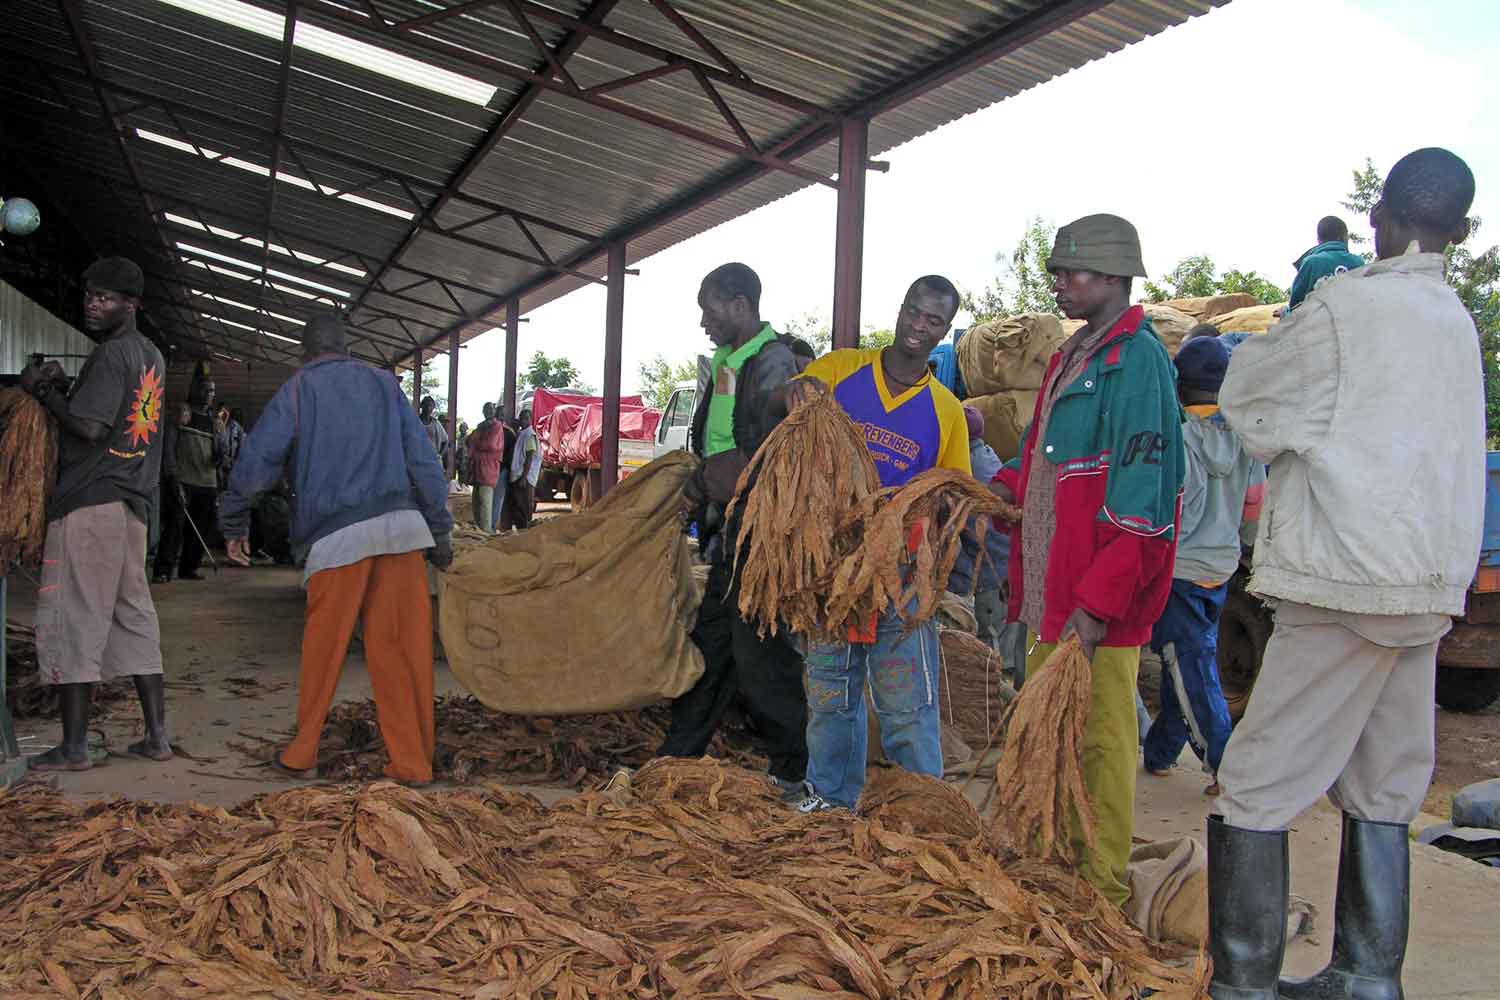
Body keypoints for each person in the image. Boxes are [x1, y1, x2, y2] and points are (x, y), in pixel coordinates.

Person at [1207, 149, 1483, 1000]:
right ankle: (1367, 975)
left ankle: (1243, 986)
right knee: (1385, 783)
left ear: (1379, 218)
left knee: (1255, 784)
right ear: (1458, 231)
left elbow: (1249, 403)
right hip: (1426, 586)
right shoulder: (1455, 319)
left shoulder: (1344, 308)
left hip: (1344, 582)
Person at [993, 214, 1184, 907]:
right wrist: (993, 490)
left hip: (1093, 605)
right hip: (1052, 592)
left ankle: (1100, 888)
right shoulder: (1069, 359)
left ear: (1112, 276)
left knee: (1099, 744)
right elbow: (1043, 463)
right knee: (1049, 738)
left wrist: (1098, 607)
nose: (1058, 285)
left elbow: (1144, 500)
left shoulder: (1137, 364)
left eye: (1070, 272)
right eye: (1057, 273)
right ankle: (1054, 866)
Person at [220, 311, 454, 785]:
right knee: (401, 649)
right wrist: (440, 530)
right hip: (401, 531)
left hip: (336, 538)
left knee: (323, 651)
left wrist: (234, 518)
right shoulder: (386, 385)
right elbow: (424, 461)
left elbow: (260, 456)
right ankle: (413, 762)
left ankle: (303, 752)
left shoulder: (299, 389)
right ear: (347, 349)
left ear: (305, 354)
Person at [780, 275, 971, 813]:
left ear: (944, 331)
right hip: (831, 567)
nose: (918, 326)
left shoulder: (946, 411)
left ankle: (924, 808)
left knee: (907, 703)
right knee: (830, 693)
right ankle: (829, 796)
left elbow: (952, 494)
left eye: (933, 320)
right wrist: (800, 390)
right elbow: (790, 396)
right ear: (901, 308)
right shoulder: (842, 369)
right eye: (914, 311)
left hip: (901, 577)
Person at [657, 263, 809, 795]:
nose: (704, 321)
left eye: (711, 309)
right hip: (731, 528)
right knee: (715, 643)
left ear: (742, 305)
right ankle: (678, 754)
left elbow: (766, 451)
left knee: (761, 653)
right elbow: (720, 439)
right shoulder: (728, 360)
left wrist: (708, 483)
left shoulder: (772, 362)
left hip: (760, 533)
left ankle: (794, 771)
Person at [19, 256, 173, 770]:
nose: (91, 304)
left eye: (104, 298)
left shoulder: (110, 354)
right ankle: (157, 738)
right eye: (88, 295)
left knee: (75, 616)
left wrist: (42, 390)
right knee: (134, 615)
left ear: (131, 305)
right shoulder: (150, 355)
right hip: (130, 506)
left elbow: (89, 428)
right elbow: (113, 414)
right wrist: (67, 389)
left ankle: (74, 747)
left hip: (90, 505)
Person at [1142, 336, 1264, 795]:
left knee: (1192, 671)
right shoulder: (1244, 440)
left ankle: (1224, 766)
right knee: (1184, 660)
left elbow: (1173, 513)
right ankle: (1160, 752)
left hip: (1180, 573)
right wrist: (1239, 542)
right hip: (1221, 568)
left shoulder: (1177, 439)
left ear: (1178, 386)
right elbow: (1254, 507)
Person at [947, 405, 1010, 653]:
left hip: (989, 573)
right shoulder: (988, 455)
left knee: (990, 647)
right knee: (1004, 639)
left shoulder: (965, 468)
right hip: (1005, 568)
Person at [174, 363, 220, 579]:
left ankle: (189, 568)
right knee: (175, 526)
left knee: (201, 528)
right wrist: (171, 473)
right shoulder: (183, 414)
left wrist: (221, 455)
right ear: (195, 391)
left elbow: (219, 453)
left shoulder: (214, 422)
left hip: (208, 481)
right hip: (185, 478)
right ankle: (163, 569)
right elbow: (171, 444)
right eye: (206, 390)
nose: (210, 395)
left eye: (212, 391)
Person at [1287, 215, 1366, 311]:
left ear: (1318, 240)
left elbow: (1295, 307)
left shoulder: (1310, 262)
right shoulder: (1359, 262)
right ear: (1343, 237)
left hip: (1319, 319)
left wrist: (1284, 312)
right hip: (1354, 318)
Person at [152, 402, 191, 584]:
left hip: (168, 481)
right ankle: (163, 569)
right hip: (168, 483)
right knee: (173, 527)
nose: (188, 419)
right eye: (186, 415)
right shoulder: (171, 429)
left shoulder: (175, 429)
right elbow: (169, 459)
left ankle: (166, 568)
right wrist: (176, 484)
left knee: (174, 527)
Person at [466, 403, 506, 533]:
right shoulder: (481, 426)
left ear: (494, 411)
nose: (488, 411)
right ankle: (480, 531)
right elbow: (469, 441)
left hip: (488, 469)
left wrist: (476, 442)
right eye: (486, 409)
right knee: (476, 503)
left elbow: (489, 444)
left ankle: (486, 533)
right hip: (478, 469)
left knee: (485, 502)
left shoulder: (496, 426)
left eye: (490, 409)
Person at [503, 408, 541, 529]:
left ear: (530, 420)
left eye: (526, 418)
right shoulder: (522, 434)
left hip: (524, 477)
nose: (523, 421)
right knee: (518, 507)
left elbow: (529, 458)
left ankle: (525, 531)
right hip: (519, 475)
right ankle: (522, 530)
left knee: (524, 507)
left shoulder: (529, 435)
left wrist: (524, 477)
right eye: (521, 418)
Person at [418, 395, 448, 466]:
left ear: (433, 408)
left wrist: (440, 455)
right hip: (418, 459)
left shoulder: (436, 423)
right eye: (426, 405)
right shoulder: (415, 421)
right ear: (421, 406)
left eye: (430, 406)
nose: (428, 408)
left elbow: (446, 441)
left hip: (434, 460)